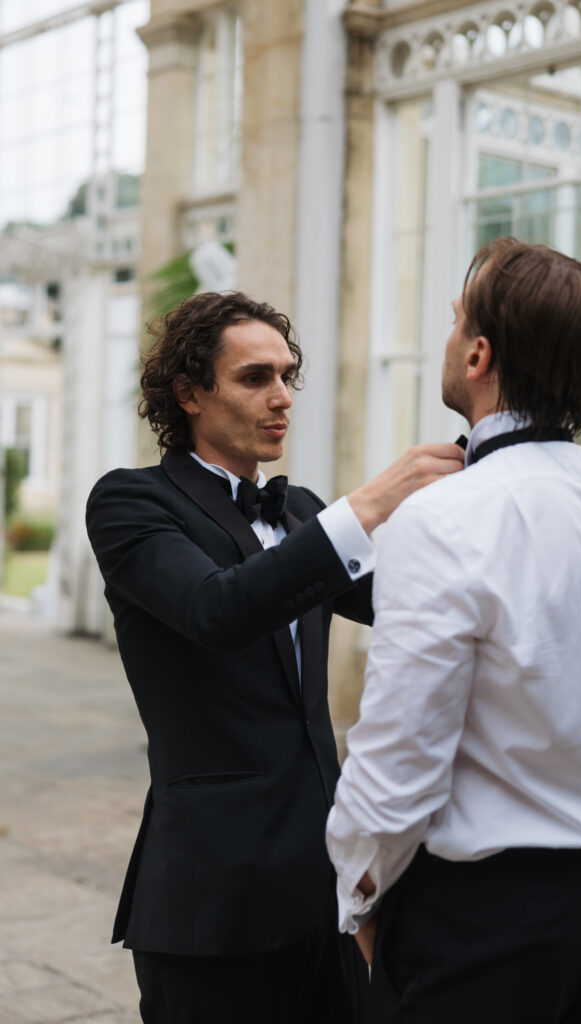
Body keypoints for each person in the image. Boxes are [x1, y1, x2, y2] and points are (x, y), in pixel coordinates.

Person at [85, 290, 463, 1024]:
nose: (281, 397)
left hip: (327, 892)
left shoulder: (299, 513)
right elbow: (218, 610)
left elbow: (407, 607)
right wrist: (368, 505)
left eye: (287, 376)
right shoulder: (132, 503)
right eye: (254, 378)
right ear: (189, 393)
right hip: (213, 898)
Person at [326, 238, 581, 1024]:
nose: (448, 338)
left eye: (456, 322)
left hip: (486, 922)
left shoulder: (444, 518)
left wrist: (360, 900)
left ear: (478, 354)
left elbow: (396, 758)